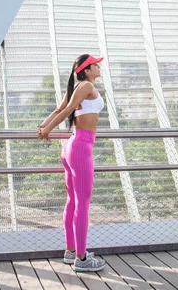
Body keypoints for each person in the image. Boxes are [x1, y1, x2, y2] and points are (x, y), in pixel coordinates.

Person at [37, 54, 106, 272]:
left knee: (73, 200)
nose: (99, 66)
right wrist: (46, 129)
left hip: (72, 145)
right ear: (86, 70)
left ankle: (71, 251)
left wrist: (43, 126)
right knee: (82, 202)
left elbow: (59, 110)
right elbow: (66, 111)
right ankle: (82, 259)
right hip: (81, 145)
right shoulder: (85, 86)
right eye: (96, 64)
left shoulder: (78, 87)